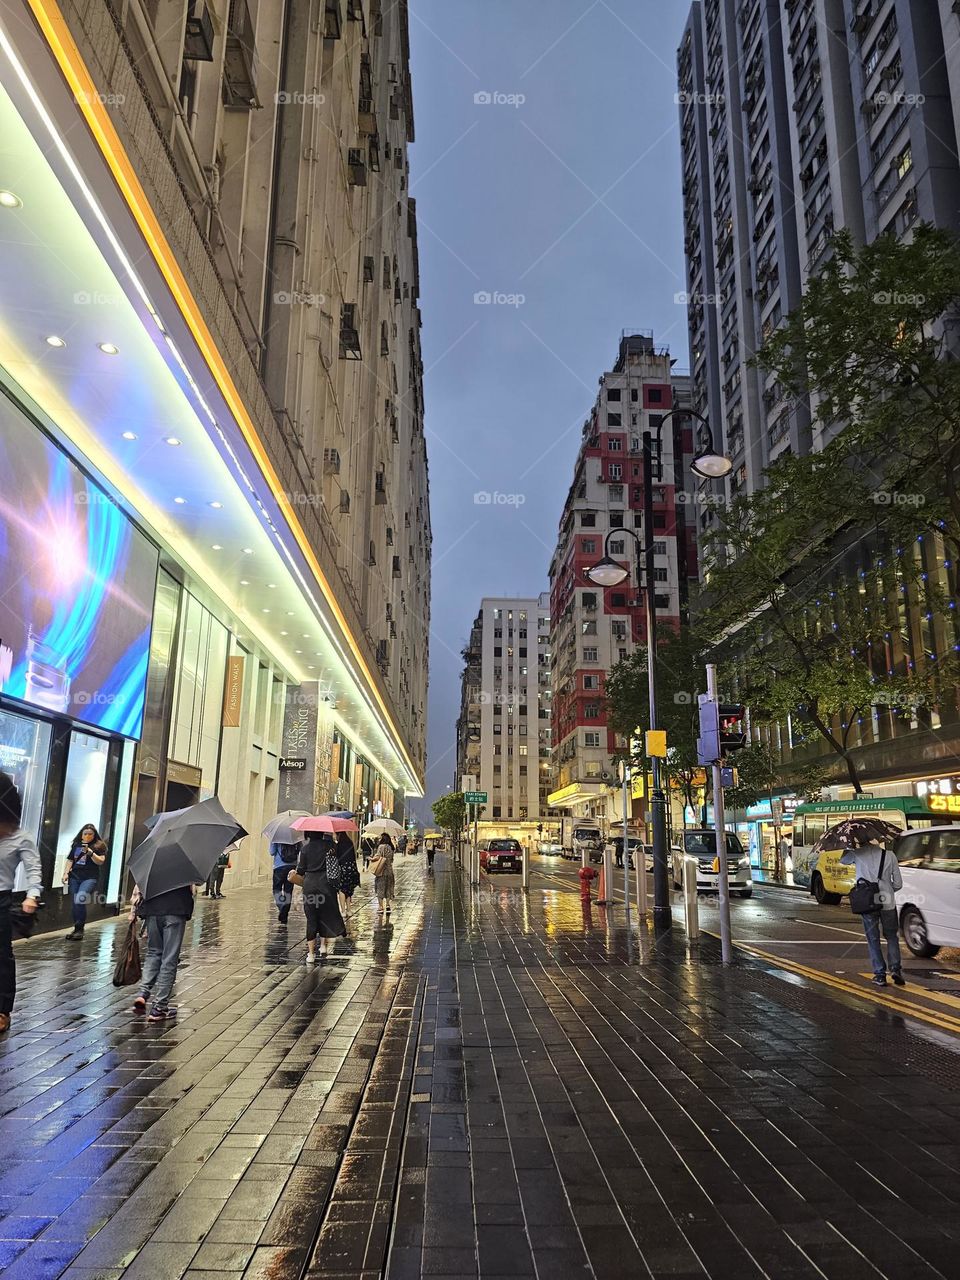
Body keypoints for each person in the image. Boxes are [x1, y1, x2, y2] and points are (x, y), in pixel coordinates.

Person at [0, 772, 41, 1035]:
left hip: (2, 899)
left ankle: (3, 1009)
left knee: (2, 955)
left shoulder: (21, 838)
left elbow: (33, 869)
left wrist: (32, 895)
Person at [840, 836, 905, 987]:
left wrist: (848, 845)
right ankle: (896, 969)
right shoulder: (889, 855)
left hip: (867, 902)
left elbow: (843, 861)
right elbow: (898, 884)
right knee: (892, 936)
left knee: (873, 939)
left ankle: (880, 975)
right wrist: (887, 890)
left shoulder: (857, 853)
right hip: (888, 901)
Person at [133, 879, 196, 1021]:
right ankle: (159, 1007)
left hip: (153, 909)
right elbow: (197, 883)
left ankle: (143, 993)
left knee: (154, 952)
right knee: (169, 958)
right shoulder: (186, 860)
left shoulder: (153, 858)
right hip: (175, 909)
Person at [290, 833, 346, 962]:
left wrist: (295, 872)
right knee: (325, 915)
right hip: (326, 885)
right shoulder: (331, 846)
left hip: (310, 886)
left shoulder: (305, 849)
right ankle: (323, 946)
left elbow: (301, 870)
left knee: (311, 918)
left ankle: (310, 954)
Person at [62, 824, 107, 940]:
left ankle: (79, 929)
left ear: (94, 834)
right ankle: (77, 929)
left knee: (80, 899)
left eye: (90, 834)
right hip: (75, 877)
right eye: (85, 834)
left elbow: (101, 861)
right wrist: (65, 873)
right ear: (81, 834)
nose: (87, 836)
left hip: (90, 877)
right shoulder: (77, 844)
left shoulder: (99, 845)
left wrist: (91, 853)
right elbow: (70, 859)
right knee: (75, 903)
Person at [271, 839, 300, 924]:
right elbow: (300, 850)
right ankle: (284, 915)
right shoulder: (296, 837)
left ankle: (281, 905)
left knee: (277, 889)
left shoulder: (276, 838)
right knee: (288, 891)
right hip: (292, 866)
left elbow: (272, 852)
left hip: (278, 866)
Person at [335, 832, 361, 918]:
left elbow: (337, 858)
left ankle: (343, 910)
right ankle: (349, 910)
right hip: (352, 868)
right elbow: (354, 857)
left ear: (339, 835)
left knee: (342, 890)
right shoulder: (350, 843)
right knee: (348, 890)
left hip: (343, 869)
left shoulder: (339, 845)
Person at [372, 834, 396, 915]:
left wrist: (371, 858)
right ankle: (388, 905)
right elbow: (392, 860)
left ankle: (380, 907)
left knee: (380, 888)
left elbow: (377, 857)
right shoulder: (391, 848)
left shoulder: (381, 847)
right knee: (388, 888)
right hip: (389, 871)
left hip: (381, 871)